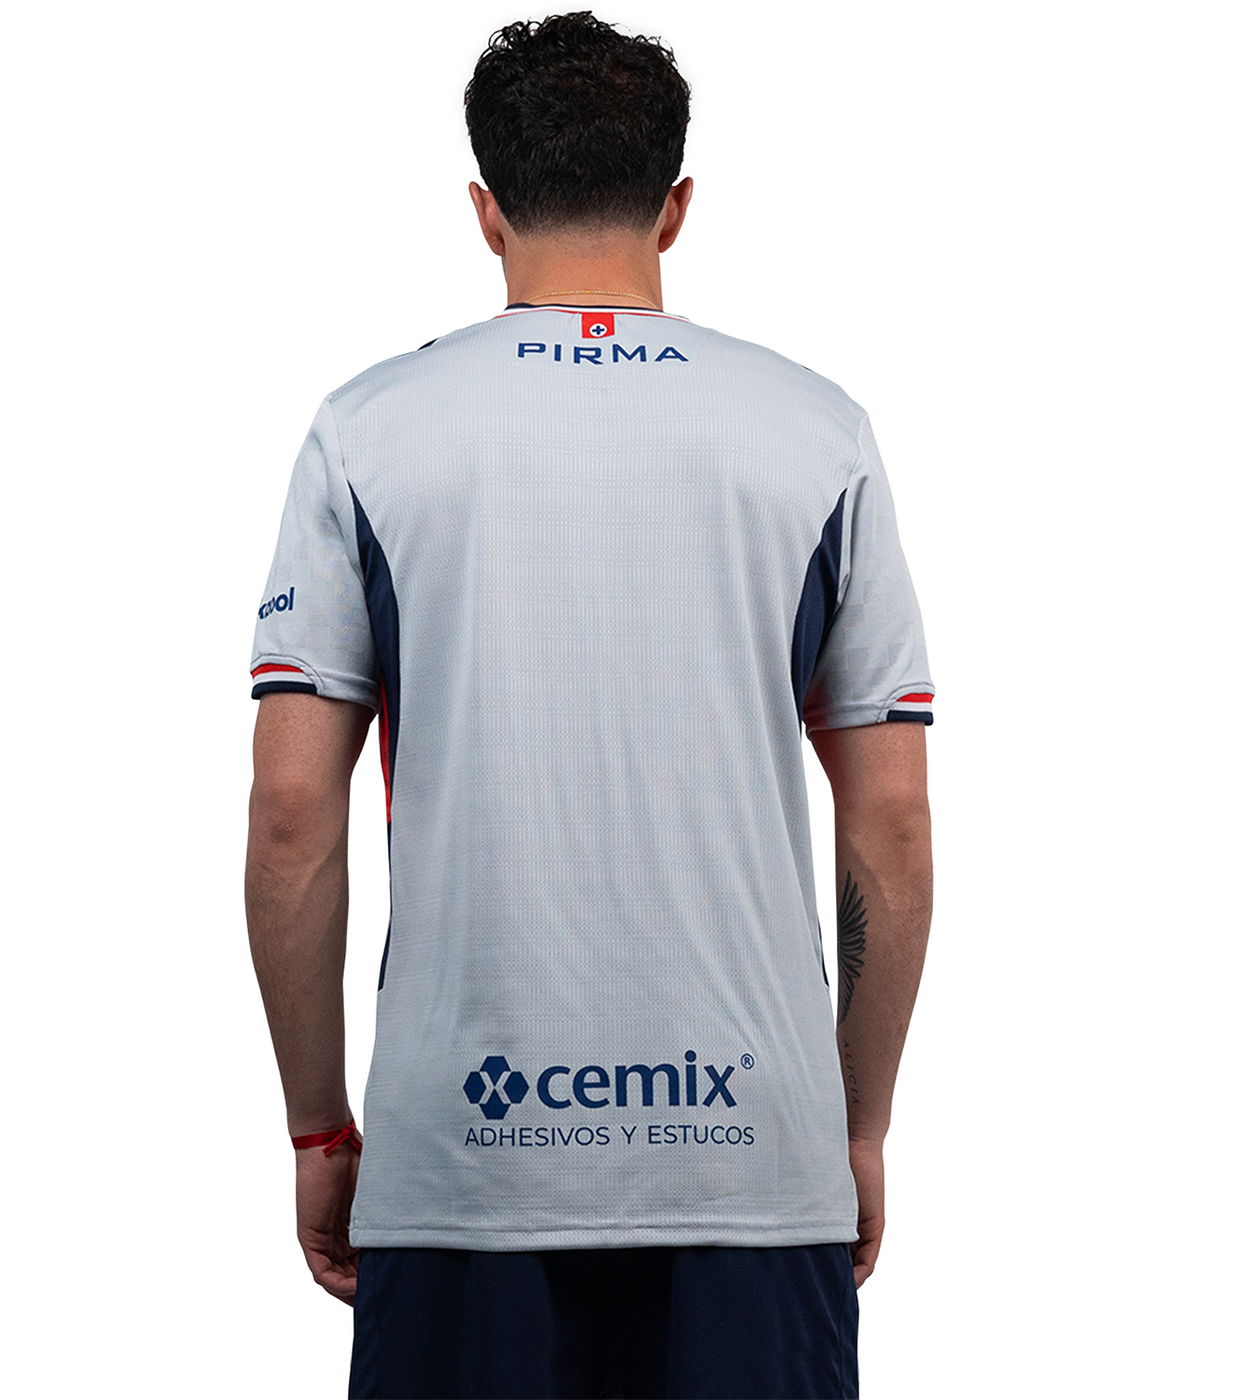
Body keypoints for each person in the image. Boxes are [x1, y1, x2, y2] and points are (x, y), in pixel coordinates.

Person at [245, 12, 933, 1398]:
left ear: (485, 210)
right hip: (752, 1163)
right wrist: (853, 1128)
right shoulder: (817, 432)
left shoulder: (368, 431)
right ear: (676, 206)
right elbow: (893, 830)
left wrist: (321, 1131)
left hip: (462, 1159)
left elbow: (292, 814)